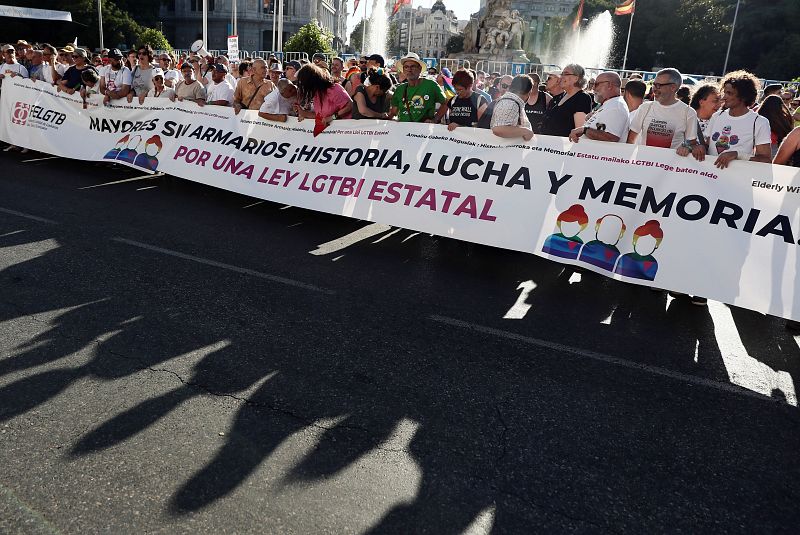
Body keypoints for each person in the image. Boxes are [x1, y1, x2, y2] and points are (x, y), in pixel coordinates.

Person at [705, 70, 771, 169]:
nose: (724, 97)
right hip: (709, 176)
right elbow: (706, 146)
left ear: (743, 96)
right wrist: (694, 147)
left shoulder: (759, 122)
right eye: (724, 92)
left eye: (729, 93)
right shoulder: (716, 116)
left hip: (738, 179)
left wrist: (737, 155)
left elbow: (766, 160)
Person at [627, 68, 699, 151]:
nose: (654, 89)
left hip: (670, 163)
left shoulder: (688, 112)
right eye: (654, 84)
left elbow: (691, 143)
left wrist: (687, 148)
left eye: (658, 85)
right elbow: (631, 139)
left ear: (673, 87)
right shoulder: (645, 107)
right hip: (644, 162)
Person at [569, 71, 629, 143]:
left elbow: (611, 138)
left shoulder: (616, 106)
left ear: (609, 85)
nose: (593, 88)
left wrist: (584, 130)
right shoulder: (612, 104)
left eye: (596, 84)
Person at [389, 53, 447, 123]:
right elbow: (393, 112)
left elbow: (446, 103)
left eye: (413, 66)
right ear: (403, 70)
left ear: (420, 68)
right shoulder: (400, 89)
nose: (409, 70)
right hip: (403, 130)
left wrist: (435, 119)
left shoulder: (431, 85)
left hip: (423, 131)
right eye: (406, 67)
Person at [542, 63, 592, 137]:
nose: (561, 77)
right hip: (549, 144)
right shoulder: (562, 96)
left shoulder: (582, 98)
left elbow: (579, 131)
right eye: (562, 74)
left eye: (565, 74)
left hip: (564, 146)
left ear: (576, 78)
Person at [490, 74, 534, 141]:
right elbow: (498, 129)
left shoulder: (513, 102)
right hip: (503, 149)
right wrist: (526, 131)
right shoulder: (510, 103)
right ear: (529, 92)